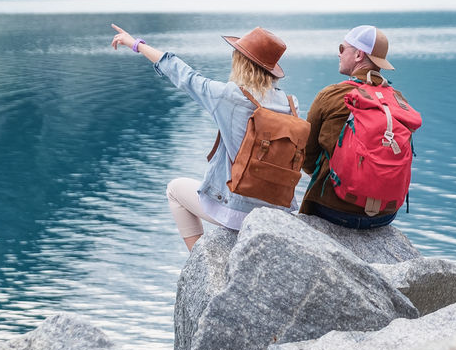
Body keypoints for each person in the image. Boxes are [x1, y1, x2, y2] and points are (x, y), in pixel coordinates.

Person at [110, 22, 299, 250]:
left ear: (240, 62)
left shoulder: (227, 96)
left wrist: (136, 44)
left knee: (175, 190)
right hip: (279, 210)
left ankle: (201, 262)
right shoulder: (290, 103)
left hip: (239, 212)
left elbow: (182, 73)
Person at [300, 24, 412, 229]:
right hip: (385, 215)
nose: (338, 54)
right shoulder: (398, 101)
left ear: (359, 54)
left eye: (342, 48)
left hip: (334, 209)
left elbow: (306, 155)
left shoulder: (331, 95)